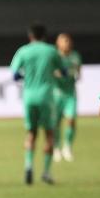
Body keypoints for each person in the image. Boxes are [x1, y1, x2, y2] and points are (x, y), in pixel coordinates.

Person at [10, 24, 67, 185]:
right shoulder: (51, 51)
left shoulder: (23, 51)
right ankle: (46, 172)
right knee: (49, 134)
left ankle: (28, 166)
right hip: (46, 97)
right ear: (44, 36)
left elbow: (14, 75)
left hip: (29, 96)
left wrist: (28, 77)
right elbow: (63, 72)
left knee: (31, 133)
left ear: (30, 36)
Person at [52, 33, 82, 162]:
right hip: (57, 94)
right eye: (64, 41)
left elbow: (78, 72)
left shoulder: (75, 56)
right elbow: (53, 72)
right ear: (58, 43)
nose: (67, 43)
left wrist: (70, 73)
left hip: (70, 94)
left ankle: (67, 147)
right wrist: (64, 73)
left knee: (71, 120)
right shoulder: (54, 56)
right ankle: (56, 148)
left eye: (68, 41)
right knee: (56, 123)